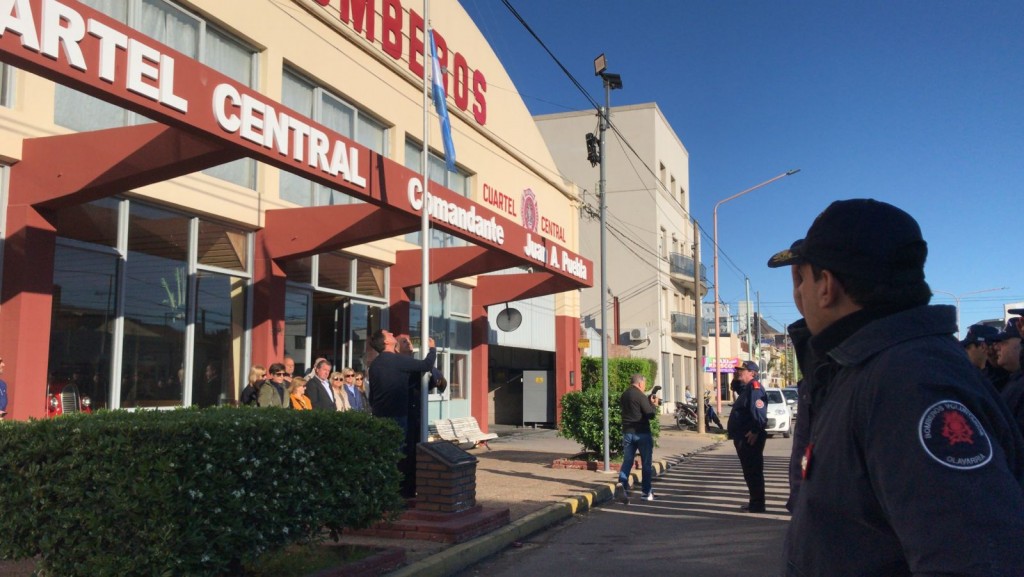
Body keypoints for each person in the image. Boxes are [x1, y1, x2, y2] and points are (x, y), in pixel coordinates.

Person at [767, 198, 1024, 576]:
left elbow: (977, 557)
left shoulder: (910, 382)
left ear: (826, 286)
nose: (797, 296)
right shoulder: (867, 367)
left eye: (801, 279)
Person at [368, 329, 437, 499]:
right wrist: (433, 349)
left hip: (380, 415)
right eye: (389, 334)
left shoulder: (375, 365)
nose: (392, 334)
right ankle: (398, 494)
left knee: (385, 455)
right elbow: (425, 365)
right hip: (398, 415)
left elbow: (372, 395)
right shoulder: (396, 361)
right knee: (399, 456)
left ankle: (384, 493)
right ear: (386, 342)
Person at [726, 360, 767, 513]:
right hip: (743, 436)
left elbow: (759, 412)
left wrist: (756, 430)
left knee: (753, 471)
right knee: (749, 472)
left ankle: (757, 504)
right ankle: (754, 502)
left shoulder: (755, 388)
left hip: (750, 437)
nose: (739, 372)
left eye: (743, 370)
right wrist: (736, 377)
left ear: (752, 373)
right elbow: (735, 386)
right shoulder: (747, 388)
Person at [617, 373, 659, 504]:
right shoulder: (640, 396)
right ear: (640, 383)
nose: (644, 387)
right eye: (644, 384)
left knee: (627, 460)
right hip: (642, 433)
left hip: (627, 432)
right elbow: (650, 415)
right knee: (646, 463)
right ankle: (646, 492)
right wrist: (654, 405)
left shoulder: (625, 395)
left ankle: (622, 485)